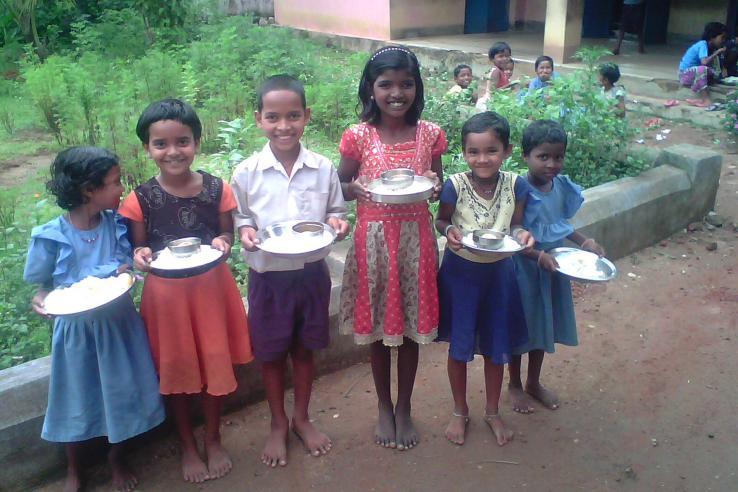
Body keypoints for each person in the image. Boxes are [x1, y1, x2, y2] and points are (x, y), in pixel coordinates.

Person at [119, 99, 252, 483]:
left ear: (197, 141)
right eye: (161, 144)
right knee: (177, 369)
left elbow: (225, 232)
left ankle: (212, 438)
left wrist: (226, 242)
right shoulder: (139, 199)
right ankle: (187, 446)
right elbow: (139, 248)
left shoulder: (216, 188)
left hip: (212, 290)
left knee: (214, 361)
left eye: (182, 141)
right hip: (166, 299)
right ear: (147, 148)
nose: (172, 151)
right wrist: (141, 255)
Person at [24, 147, 165, 492]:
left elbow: (128, 264)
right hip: (76, 334)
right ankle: (75, 466)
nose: (121, 189)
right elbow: (43, 287)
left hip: (118, 327)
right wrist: (41, 299)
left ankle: (117, 457)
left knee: (120, 392)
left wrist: (133, 265)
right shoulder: (52, 236)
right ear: (89, 190)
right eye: (115, 183)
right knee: (75, 395)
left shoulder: (115, 226)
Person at [231, 74, 349, 468]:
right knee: (270, 353)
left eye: (293, 115)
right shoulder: (246, 172)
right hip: (268, 277)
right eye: (274, 117)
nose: (284, 126)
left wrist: (337, 224)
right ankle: (277, 422)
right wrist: (245, 231)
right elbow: (241, 219)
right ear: (259, 119)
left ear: (307, 116)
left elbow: (335, 211)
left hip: (311, 274)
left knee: (304, 349)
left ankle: (301, 417)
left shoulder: (321, 167)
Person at [337, 45, 446, 451]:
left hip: (417, 243)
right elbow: (344, 185)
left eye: (406, 83)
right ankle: (383, 405)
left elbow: (436, 182)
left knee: (413, 331)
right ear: (370, 88)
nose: (396, 92)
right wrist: (356, 188)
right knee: (382, 331)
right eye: (386, 84)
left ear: (417, 88)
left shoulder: (430, 134)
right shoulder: (358, 135)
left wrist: (435, 188)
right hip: (374, 243)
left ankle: (405, 406)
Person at [435, 111, 536, 447]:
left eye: (491, 151)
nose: (482, 159)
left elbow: (517, 224)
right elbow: (442, 220)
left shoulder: (516, 184)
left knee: (497, 346)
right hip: (461, 274)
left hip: (500, 275)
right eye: (473, 152)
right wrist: (449, 230)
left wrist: (523, 235)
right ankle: (459, 410)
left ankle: (492, 411)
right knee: (459, 345)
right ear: (464, 154)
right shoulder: (455, 185)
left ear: (506, 151)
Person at [508, 120, 605, 414]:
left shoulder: (561, 186)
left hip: (553, 269)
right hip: (525, 270)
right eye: (543, 156)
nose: (552, 164)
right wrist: (536, 255)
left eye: (558, 157)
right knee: (521, 328)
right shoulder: (520, 190)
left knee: (543, 326)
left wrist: (584, 241)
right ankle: (513, 384)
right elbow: (513, 232)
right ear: (525, 156)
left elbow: (558, 226)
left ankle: (533, 382)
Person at [678, 22, 727, 107]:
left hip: (694, 75)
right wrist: (716, 53)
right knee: (702, 69)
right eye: (722, 37)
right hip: (684, 75)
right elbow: (704, 62)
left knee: (712, 73)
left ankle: (699, 96)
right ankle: (706, 100)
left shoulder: (710, 47)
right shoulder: (702, 44)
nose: (723, 40)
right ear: (712, 37)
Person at [477, 41, 513, 109]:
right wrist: (511, 85)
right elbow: (493, 91)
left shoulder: (502, 72)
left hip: (498, 102)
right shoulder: (496, 71)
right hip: (491, 104)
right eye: (501, 56)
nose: (505, 59)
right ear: (492, 59)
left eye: (507, 56)